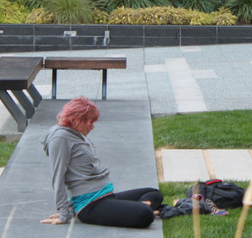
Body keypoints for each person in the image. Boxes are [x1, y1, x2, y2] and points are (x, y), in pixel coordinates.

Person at [39, 96, 164, 228]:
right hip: (90, 205)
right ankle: (141, 208)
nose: (92, 127)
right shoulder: (60, 139)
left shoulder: (73, 134)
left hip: (105, 196)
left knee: (154, 194)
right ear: (77, 120)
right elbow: (58, 176)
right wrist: (64, 212)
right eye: (90, 122)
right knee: (145, 215)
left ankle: (138, 207)